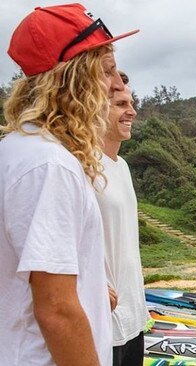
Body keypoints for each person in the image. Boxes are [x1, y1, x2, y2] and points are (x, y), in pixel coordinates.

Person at [0, 3, 137, 365]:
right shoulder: (49, 165)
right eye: (107, 71)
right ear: (74, 77)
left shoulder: (19, 150)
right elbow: (57, 310)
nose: (118, 84)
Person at [96, 70, 149, 366]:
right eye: (120, 104)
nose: (131, 111)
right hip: (103, 319)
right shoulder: (81, 164)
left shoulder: (123, 166)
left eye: (130, 103)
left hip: (133, 316)